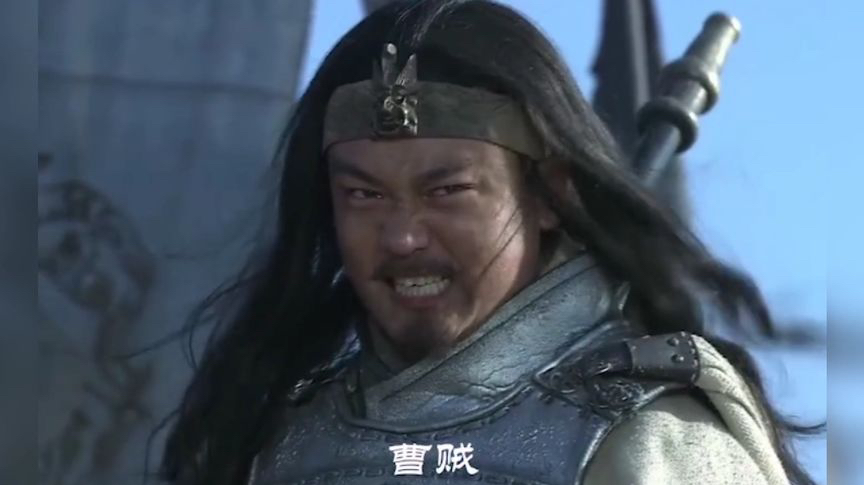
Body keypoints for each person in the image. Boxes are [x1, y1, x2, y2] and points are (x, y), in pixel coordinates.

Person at [158, 1, 819, 484]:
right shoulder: (284, 442)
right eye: (364, 194)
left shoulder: (650, 437)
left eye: (447, 191)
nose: (403, 236)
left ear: (549, 194)